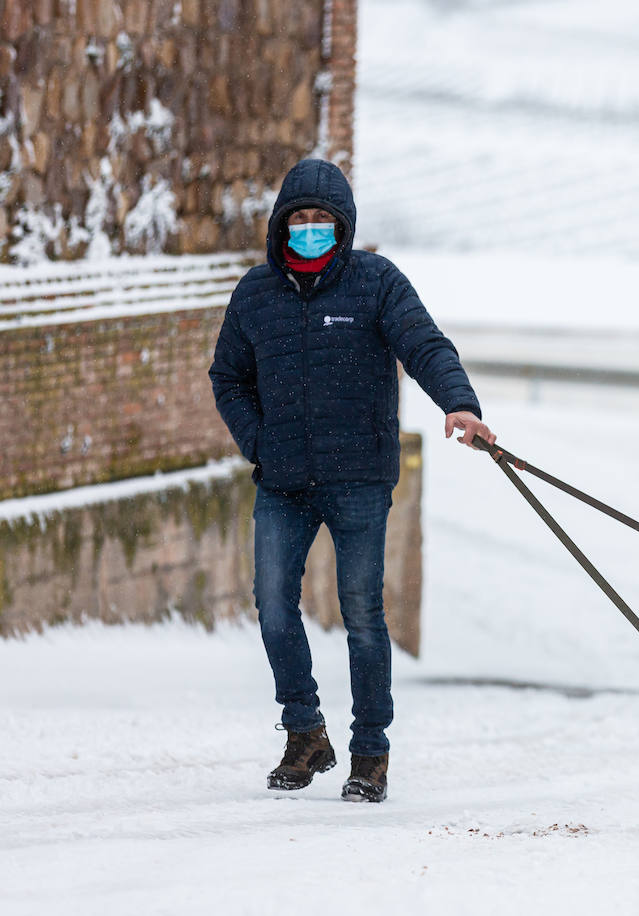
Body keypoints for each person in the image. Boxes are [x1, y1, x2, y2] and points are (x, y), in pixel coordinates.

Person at [209, 158, 494, 802]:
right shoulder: (256, 292)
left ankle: (370, 753)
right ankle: (305, 732)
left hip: (360, 476)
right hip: (283, 480)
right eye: (299, 220)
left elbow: (424, 344)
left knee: (362, 613)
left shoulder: (376, 283)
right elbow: (227, 378)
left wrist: (460, 404)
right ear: (281, 226)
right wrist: (259, 441)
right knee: (274, 604)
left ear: (344, 226)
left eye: (323, 220)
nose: (310, 229)